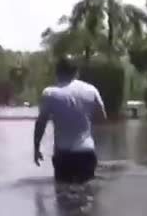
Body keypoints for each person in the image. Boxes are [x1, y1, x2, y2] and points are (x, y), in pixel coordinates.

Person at [33, 55, 107, 184]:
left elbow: (41, 123)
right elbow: (102, 117)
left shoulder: (50, 93)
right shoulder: (91, 90)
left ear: (57, 72)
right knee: (87, 194)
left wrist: (36, 148)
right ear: (76, 72)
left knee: (63, 197)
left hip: (63, 154)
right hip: (86, 152)